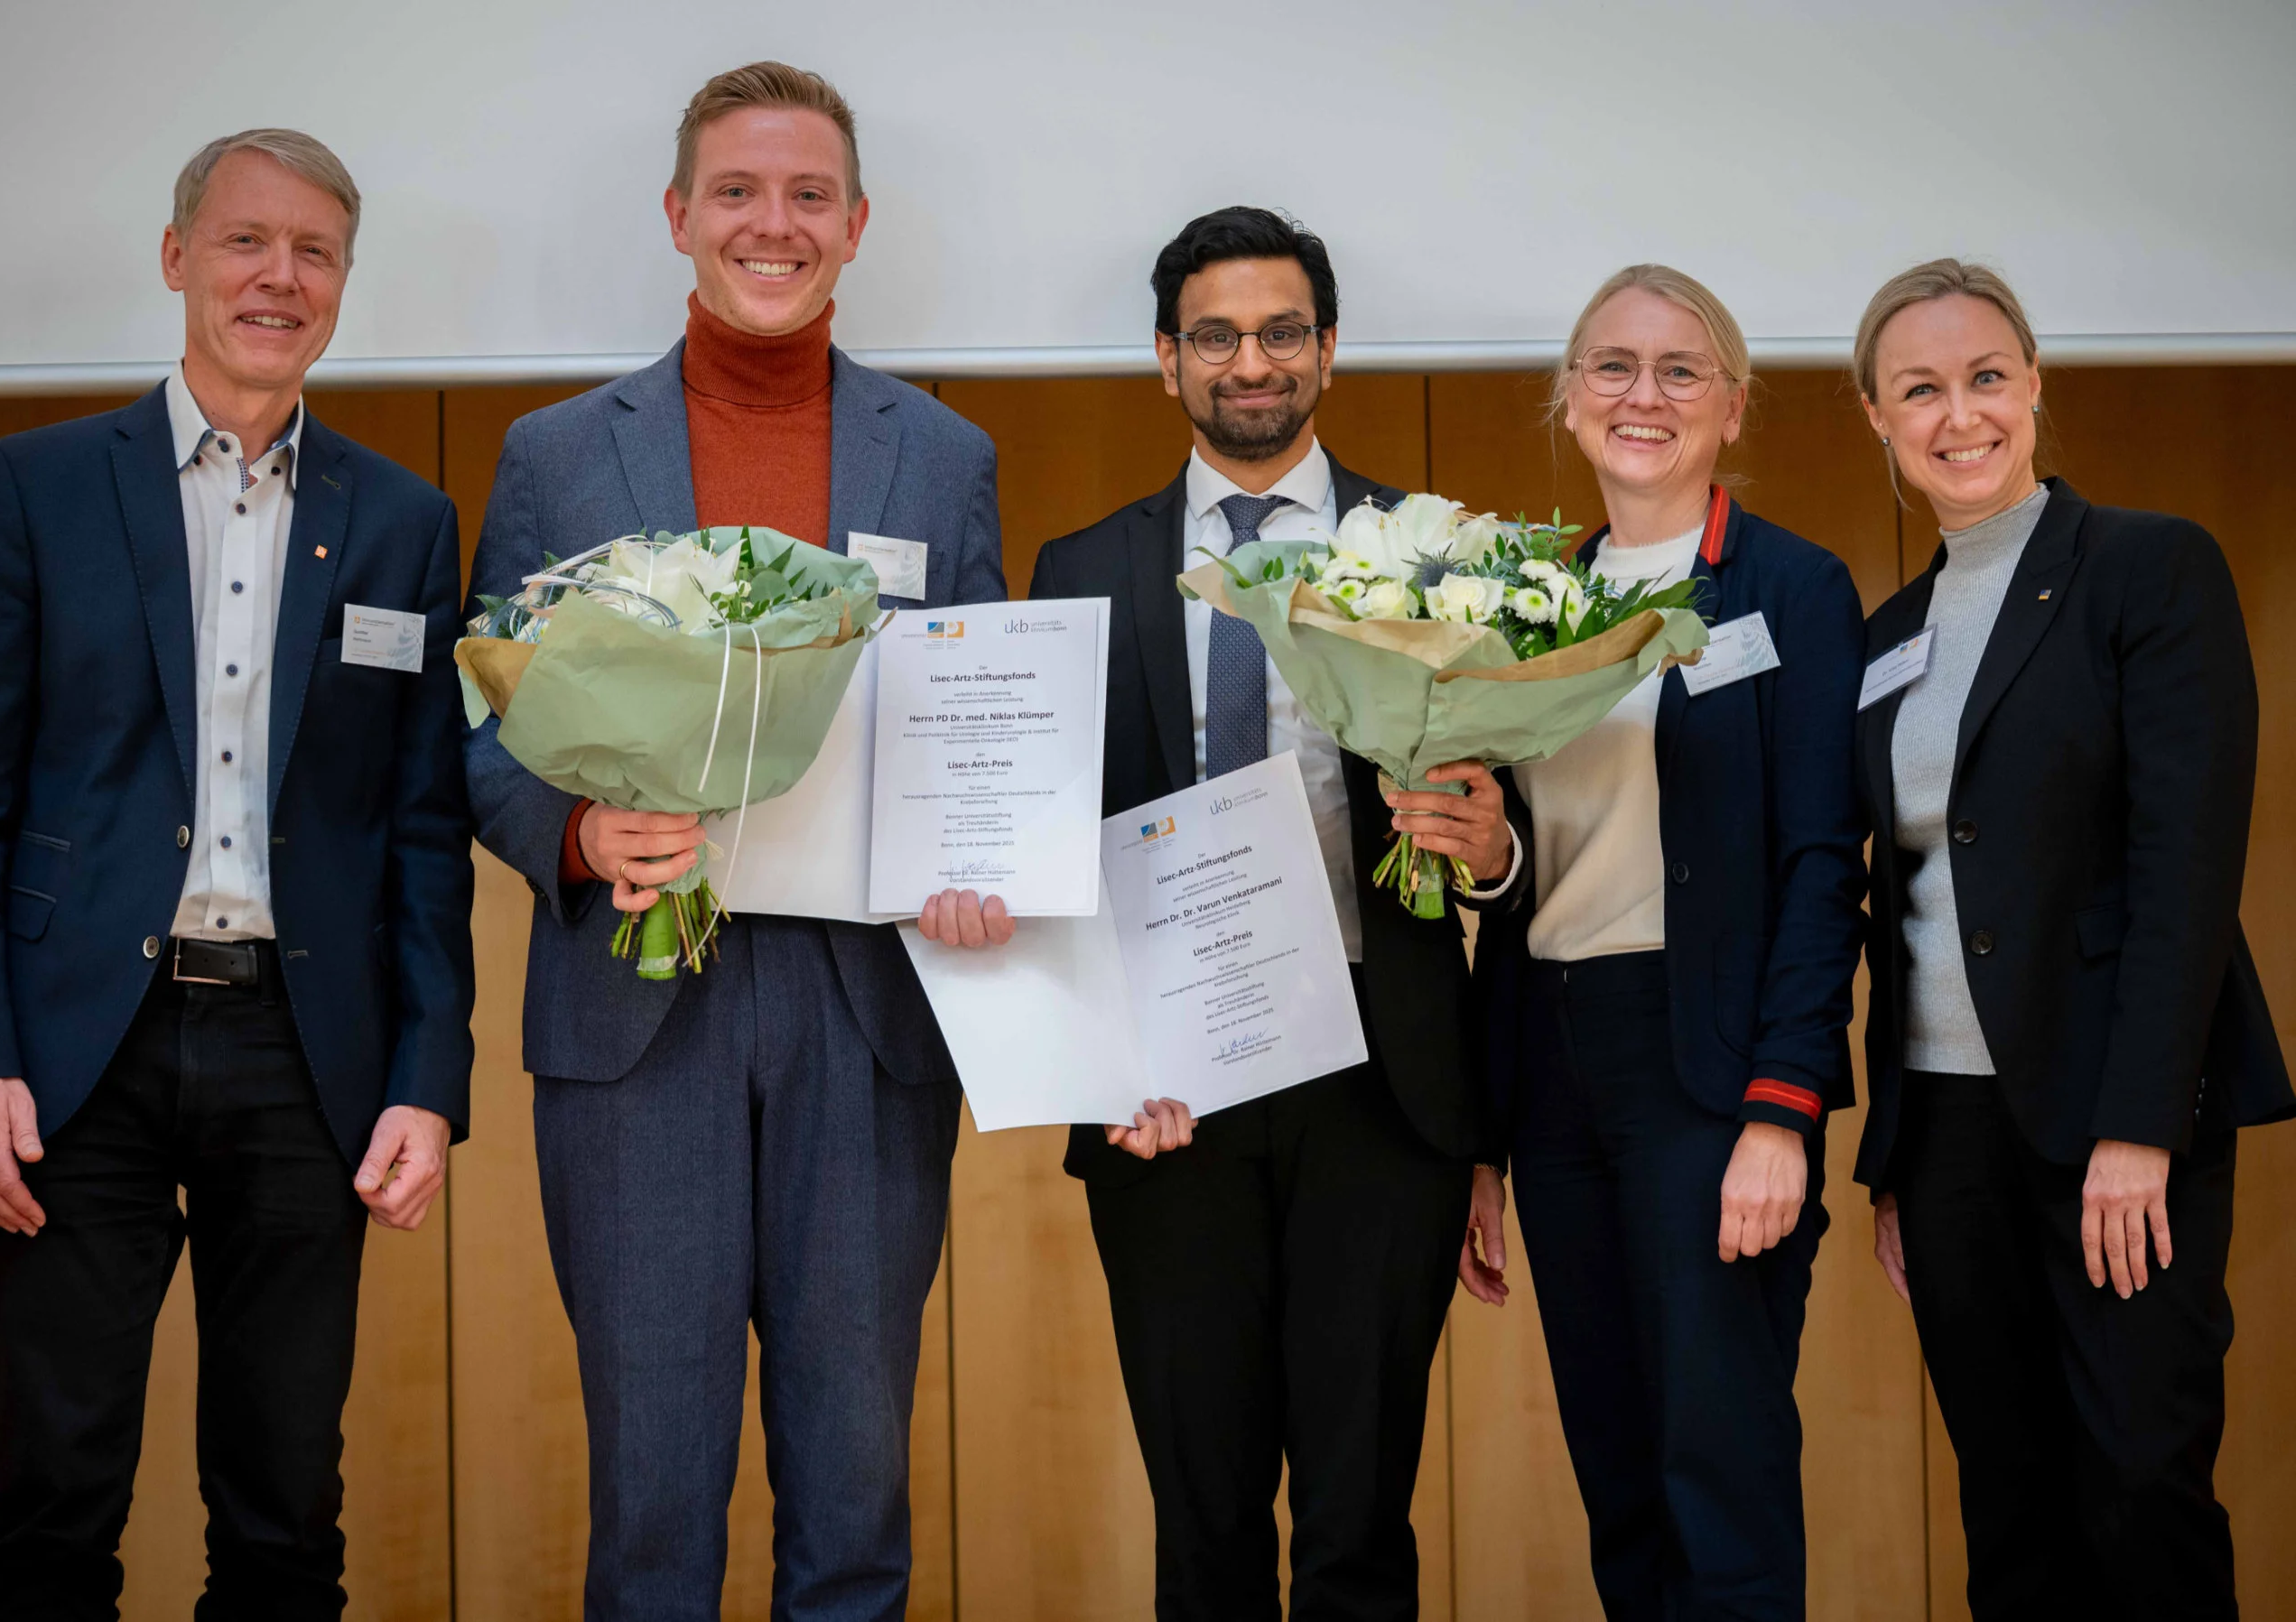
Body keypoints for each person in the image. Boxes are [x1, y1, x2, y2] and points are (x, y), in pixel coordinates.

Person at [0, 130, 476, 1617]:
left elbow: (422, 831)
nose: (280, 277)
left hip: (304, 1055)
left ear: (342, 283)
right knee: (50, 1503)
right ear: (177, 258)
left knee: (285, 1520)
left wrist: (428, 1079)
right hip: (71, 1058)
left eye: (315, 252)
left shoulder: (405, 525)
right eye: (245, 241)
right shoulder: (33, 489)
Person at [461, 61, 1007, 1617]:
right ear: (680, 215)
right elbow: (481, 726)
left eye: (810, 195)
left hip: (867, 1018)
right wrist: (580, 836)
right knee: (652, 1500)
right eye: (740, 192)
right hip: (637, 1025)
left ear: (856, 224)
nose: (776, 224)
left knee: (855, 1494)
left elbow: (981, 714)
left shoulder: (942, 455)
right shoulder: (559, 453)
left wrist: (988, 861)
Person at [1026, 206, 1511, 1620]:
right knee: (1206, 1521)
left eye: (1283, 332)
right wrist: (1091, 1052)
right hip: (1167, 1090)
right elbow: (1050, 843)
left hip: (1382, 1078)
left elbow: (1508, 821)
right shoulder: (1081, 568)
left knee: (1360, 1518)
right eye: (1219, 336)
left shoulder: (1435, 557)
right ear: (1167, 358)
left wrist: (1489, 850)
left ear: (1330, 350)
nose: (1253, 362)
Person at [1849, 258, 2291, 1621]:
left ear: (2035, 386)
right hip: (1949, 1135)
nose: (1960, 415)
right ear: (1878, 416)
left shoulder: (2148, 568)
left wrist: (2140, 1128)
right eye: (1921, 389)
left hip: (2113, 1117)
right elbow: (1900, 897)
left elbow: (2186, 867)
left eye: (1987, 377)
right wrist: (1895, 1161)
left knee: (2142, 1490)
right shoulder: (1886, 638)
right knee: (2010, 1508)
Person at [1462, 265, 1869, 1619]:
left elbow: (1823, 866)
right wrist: (1484, 1137)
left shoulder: (1793, 589)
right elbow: (1524, 871)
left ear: (1733, 408)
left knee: (1719, 1469)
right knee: (1621, 1476)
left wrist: (1782, 1110)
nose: (1645, 394)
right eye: (1614, 366)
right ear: (1569, 399)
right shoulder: (1523, 601)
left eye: (1681, 370)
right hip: (1555, 1067)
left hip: (1710, 1071)